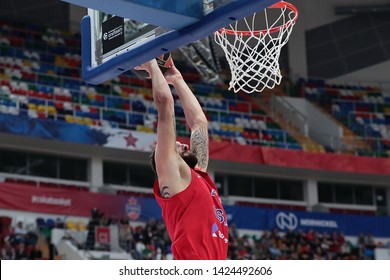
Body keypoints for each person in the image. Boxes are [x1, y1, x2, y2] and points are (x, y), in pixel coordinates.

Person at [135, 57, 228, 260]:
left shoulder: (198, 177)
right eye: (177, 146)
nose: (184, 144)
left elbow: (199, 124)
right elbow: (165, 104)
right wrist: (151, 63)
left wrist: (177, 79)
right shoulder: (171, 174)